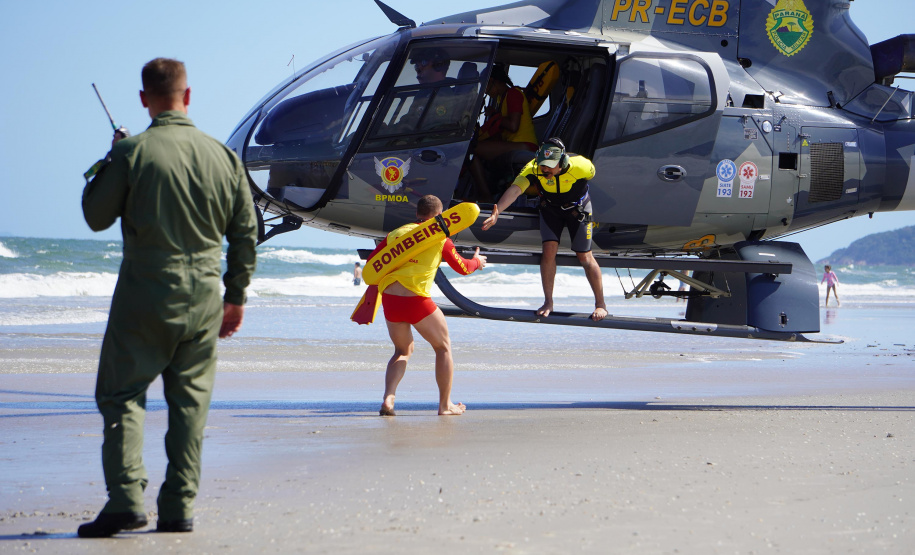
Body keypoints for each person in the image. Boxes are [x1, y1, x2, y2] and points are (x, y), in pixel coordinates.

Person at [78, 58, 258, 538]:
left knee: (122, 396)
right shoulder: (222, 156)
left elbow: (96, 216)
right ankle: (178, 508)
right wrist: (235, 295)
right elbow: (245, 232)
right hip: (203, 296)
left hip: (144, 294)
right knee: (190, 404)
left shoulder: (132, 153)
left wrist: (109, 159)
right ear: (188, 95)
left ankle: (125, 500)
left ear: (144, 99)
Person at [371, 195, 486, 417]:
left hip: (391, 299)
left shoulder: (396, 233)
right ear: (440, 216)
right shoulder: (440, 236)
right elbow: (461, 266)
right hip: (416, 300)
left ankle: (389, 398)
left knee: (402, 350)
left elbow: (375, 264)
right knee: (443, 347)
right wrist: (477, 262)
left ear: (417, 213)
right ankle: (445, 405)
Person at [482, 138, 607, 321]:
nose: (545, 169)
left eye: (549, 166)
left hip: (578, 210)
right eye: (542, 165)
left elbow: (596, 178)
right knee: (548, 251)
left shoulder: (581, 166)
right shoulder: (533, 167)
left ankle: (600, 304)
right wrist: (497, 212)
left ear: (562, 163)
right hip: (550, 209)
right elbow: (516, 189)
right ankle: (548, 302)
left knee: (585, 256)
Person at [469, 64, 539, 201]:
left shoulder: (513, 94)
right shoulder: (501, 98)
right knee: (473, 149)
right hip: (513, 144)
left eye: (486, 85)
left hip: (525, 145)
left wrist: (496, 117)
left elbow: (513, 125)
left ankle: (485, 197)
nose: (486, 91)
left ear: (493, 81)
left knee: (472, 149)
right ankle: (481, 193)